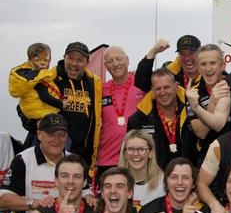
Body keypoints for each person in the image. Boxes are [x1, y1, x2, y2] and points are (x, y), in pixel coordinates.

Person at [35, 42, 102, 171]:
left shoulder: (94, 83)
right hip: (53, 154)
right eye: (70, 58)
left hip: (83, 157)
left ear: (87, 62)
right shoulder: (49, 77)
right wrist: (34, 125)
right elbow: (25, 106)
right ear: (64, 57)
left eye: (80, 60)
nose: (74, 63)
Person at [127, 68, 198, 169]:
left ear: (176, 87)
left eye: (166, 87)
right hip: (153, 180)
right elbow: (131, 155)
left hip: (188, 177)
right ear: (152, 90)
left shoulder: (192, 110)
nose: (163, 92)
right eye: (158, 89)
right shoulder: (138, 120)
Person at [97, 46, 146, 178]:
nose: (116, 64)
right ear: (106, 66)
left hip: (137, 158)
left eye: (119, 59)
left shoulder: (141, 84)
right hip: (107, 159)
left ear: (128, 60)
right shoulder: (100, 89)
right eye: (110, 61)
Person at [185, 44, 231, 162]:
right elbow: (201, 133)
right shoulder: (192, 93)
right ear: (198, 68)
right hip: (207, 156)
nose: (208, 68)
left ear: (222, 65)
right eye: (203, 64)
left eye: (212, 63)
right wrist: (211, 103)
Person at [8, 42, 58, 146]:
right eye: (38, 60)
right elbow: (45, 97)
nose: (43, 63)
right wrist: (62, 105)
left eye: (45, 59)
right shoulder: (38, 78)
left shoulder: (28, 78)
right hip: (43, 128)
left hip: (43, 126)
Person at [135, 35, 202, 92]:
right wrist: (153, 52)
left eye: (191, 53)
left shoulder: (208, 73)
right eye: (182, 54)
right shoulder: (169, 73)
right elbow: (142, 83)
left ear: (200, 54)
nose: (187, 58)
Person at [117, 130, 165, 209]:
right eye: (131, 149)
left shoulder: (163, 183)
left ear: (150, 153)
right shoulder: (114, 183)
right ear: (124, 153)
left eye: (141, 149)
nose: (136, 154)